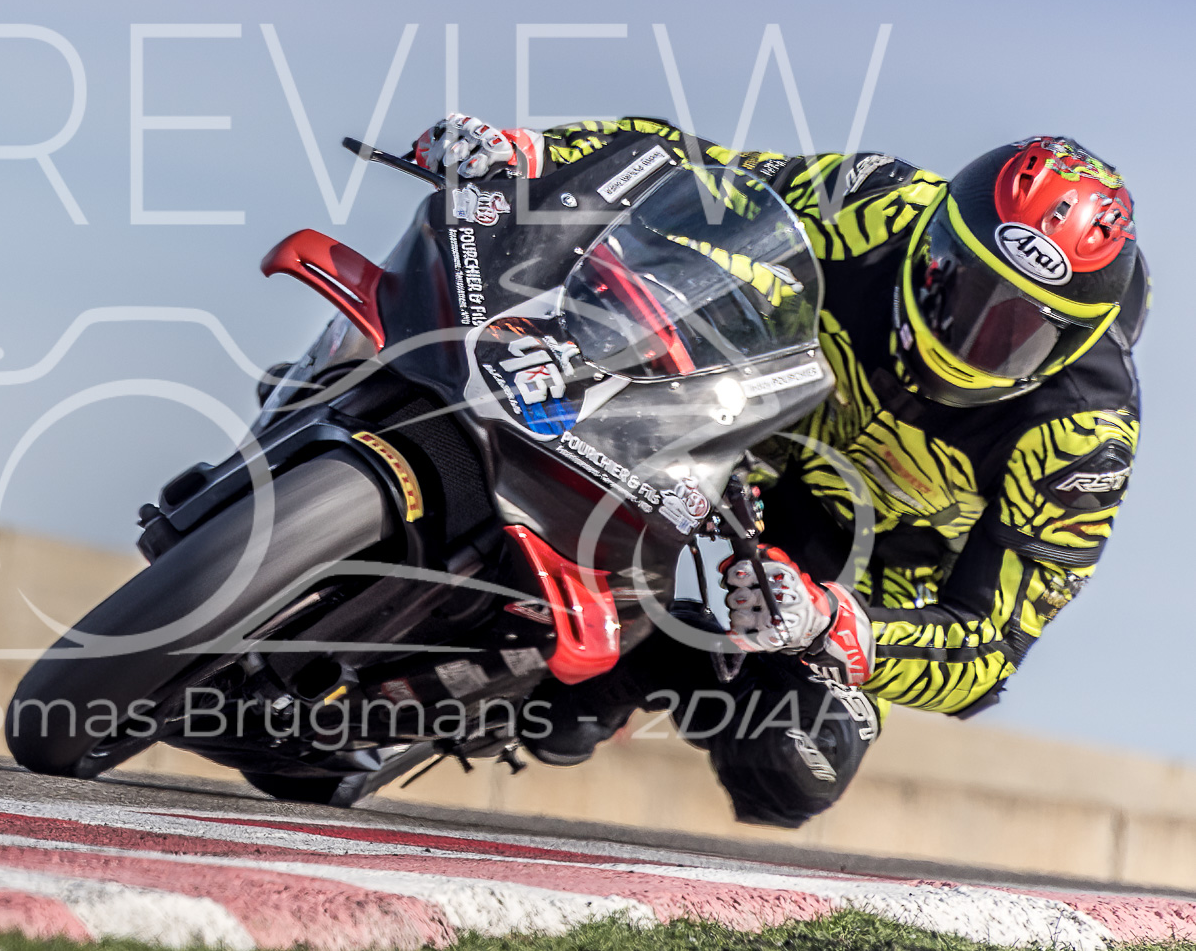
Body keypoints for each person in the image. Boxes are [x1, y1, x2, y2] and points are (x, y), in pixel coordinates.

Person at [409, 114, 1147, 827]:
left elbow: (991, 644)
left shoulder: (1084, 437)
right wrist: (533, 154)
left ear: (1078, 342)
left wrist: (832, 621)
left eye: (1018, 328)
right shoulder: (879, 203)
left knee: (798, 761)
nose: (970, 328)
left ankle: (631, 673)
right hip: (724, 441)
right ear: (935, 232)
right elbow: (700, 171)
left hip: (862, 566)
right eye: (954, 280)